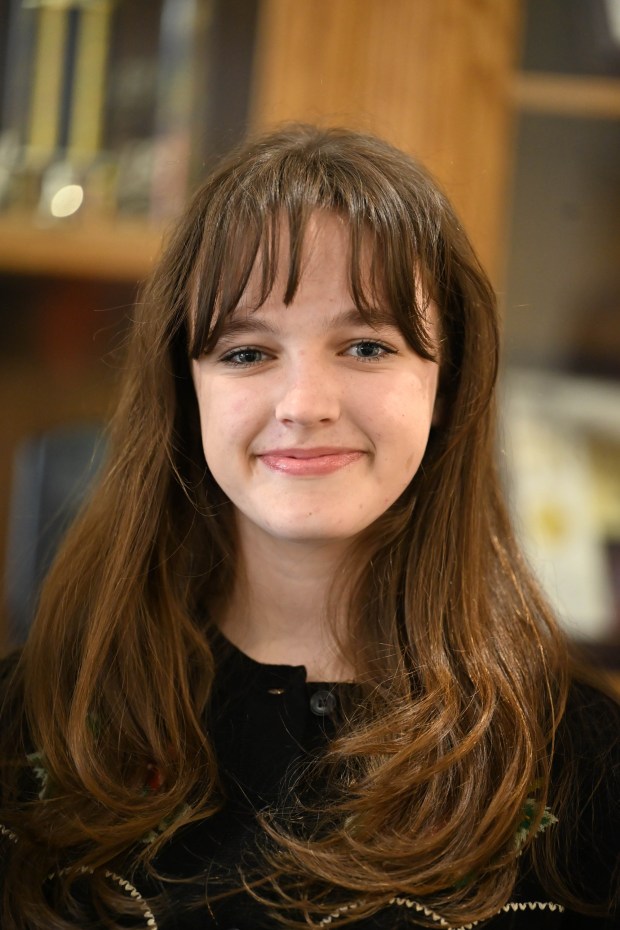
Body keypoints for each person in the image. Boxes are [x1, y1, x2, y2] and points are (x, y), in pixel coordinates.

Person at [0, 125, 618, 930]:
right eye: (247, 354)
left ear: (448, 383)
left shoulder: (586, 761)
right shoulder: (29, 725)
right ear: (184, 390)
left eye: (365, 346)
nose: (304, 405)